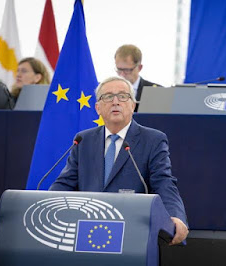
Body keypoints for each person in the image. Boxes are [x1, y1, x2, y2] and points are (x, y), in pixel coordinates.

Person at [49, 76, 188, 245]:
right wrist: (46, 207)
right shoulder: (83, 140)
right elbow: (65, 184)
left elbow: (164, 182)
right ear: (98, 108)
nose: (115, 101)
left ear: (133, 105)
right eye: (108, 97)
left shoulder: (153, 140)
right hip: (85, 231)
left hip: (132, 233)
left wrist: (175, 216)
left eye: (123, 96)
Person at [114, 44, 160, 110]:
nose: (122, 75)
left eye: (127, 70)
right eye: (119, 69)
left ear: (139, 68)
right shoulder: (107, 91)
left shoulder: (156, 92)